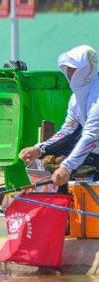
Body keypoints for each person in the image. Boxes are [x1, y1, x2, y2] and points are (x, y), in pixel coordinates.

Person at [19, 45, 99, 186]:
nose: (68, 73)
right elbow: (67, 132)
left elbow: (91, 137)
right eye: (66, 69)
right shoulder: (75, 99)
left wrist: (67, 167)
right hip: (94, 153)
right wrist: (39, 149)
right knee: (54, 164)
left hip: (94, 151)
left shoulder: (96, 97)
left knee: (64, 166)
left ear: (86, 71)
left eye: (72, 69)